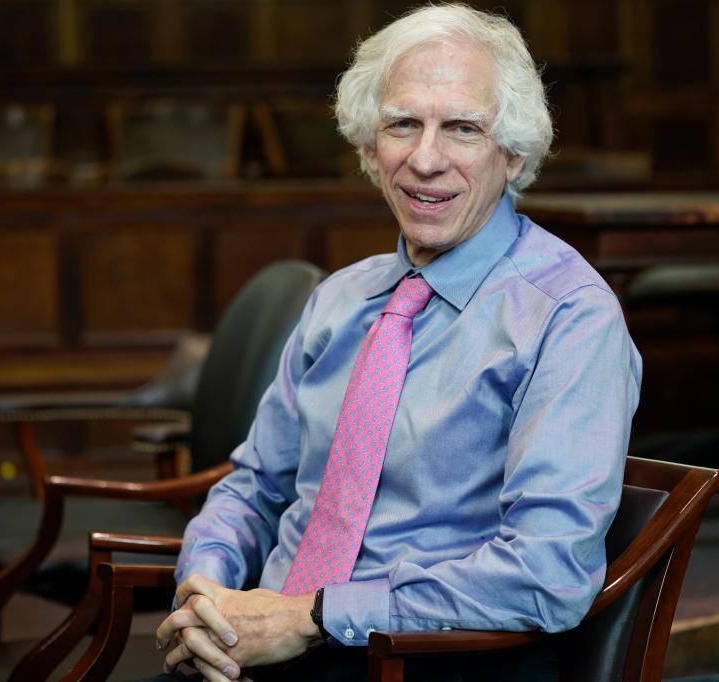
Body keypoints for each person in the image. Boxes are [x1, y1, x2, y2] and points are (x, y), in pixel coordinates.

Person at [152, 4, 642, 681]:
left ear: (515, 153)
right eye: (402, 124)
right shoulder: (341, 298)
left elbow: (545, 572)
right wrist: (205, 593)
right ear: (366, 148)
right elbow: (254, 487)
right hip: (261, 647)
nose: (425, 159)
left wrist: (314, 616)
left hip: (431, 659)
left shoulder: (570, 319)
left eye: (462, 128)